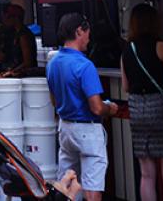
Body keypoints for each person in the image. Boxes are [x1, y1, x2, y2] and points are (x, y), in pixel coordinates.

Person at [47, 13, 118, 201]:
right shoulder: (85, 65)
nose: (89, 38)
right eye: (87, 33)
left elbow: (53, 101)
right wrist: (110, 109)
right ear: (79, 31)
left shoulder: (52, 63)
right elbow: (96, 107)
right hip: (87, 129)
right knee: (92, 184)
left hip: (65, 127)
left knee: (68, 181)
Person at [119, 4, 163, 201]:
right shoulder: (161, 46)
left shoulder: (127, 51)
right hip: (161, 109)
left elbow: (125, 86)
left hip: (138, 110)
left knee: (146, 174)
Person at [0, 4, 37, 72]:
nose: (4, 20)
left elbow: (28, 62)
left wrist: (12, 72)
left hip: (24, 75)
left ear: (16, 18)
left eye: (7, 17)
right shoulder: (12, 33)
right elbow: (4, 53)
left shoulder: (24, 35)